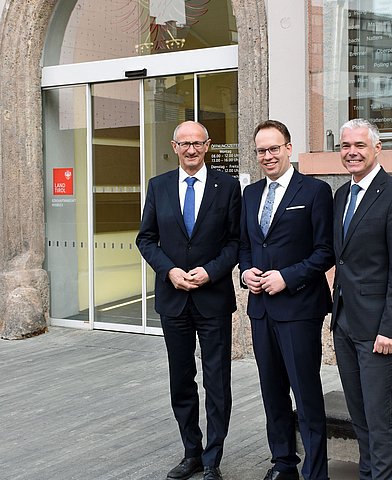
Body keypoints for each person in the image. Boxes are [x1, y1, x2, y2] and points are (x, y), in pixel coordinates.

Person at [136, 121, 241, 480]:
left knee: (217, 381)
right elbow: (146, 239)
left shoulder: (227, 187)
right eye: (185, 144)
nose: (192, 149)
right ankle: (191, 452)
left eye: (198, 143)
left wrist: (211, 271)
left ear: (208, 146)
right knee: (181, 379)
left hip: (212, 297)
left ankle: (213, 459)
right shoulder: (159, 186)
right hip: (173, 298)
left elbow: (235, 243)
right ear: (174, 146)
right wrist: (169, 271)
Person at [239, 120, 334, 480]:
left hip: (299, 309)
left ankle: (315, 471)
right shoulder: (249, 195)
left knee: (305, 392)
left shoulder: (314, 191)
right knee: (272, 391)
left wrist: (287, 277)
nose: (267, 156)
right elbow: (246, 246)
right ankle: (283, 463)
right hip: (261, 310)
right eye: (261, 150)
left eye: (274, 148)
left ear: (289, 148)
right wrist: (246, 272)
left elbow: (325, 252)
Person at [330, 118, 392, 480]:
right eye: (345, 146)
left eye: (360, 146)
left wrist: (391, 329)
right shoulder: (341, 196)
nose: (351, 152)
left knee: (378, 417)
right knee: (359, 415)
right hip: (345, 324)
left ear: (377, 148)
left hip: (379, 330)